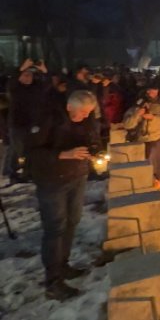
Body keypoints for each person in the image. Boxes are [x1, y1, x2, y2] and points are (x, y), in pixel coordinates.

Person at [31, 90, 99, 300]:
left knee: (72, 222)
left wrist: (94, 150)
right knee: (55, 228)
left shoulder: (86, 120)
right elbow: (31, 152)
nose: (86, 117)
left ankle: (63, 265)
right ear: (70, 107)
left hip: (77, 177)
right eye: (83, 112)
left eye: (89, 113)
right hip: (52, 181)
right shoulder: (48, 119)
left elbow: (91, 138)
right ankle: (53, 281)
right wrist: (63, 154)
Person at [4, 58, 48, 183]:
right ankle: (13, 172)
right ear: (20, 77)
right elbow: (11, 81)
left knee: (30, 149)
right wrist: (21, 68)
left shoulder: (36, 88)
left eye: (30, 75)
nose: (28, 77)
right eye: (25, 75)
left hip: (32, 125)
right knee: (16, 149)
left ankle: (28, 172)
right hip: (17, 124)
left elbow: (47, 85)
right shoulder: (15, 88)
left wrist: (43, 71)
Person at [122, 86, 160, 183]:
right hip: (141, 139)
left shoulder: (157, 107)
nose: (154, 96)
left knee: (157, 160)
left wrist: (153, 117)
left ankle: (158, 179)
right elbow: (127, 124)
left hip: (155, 137)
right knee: (144, 161)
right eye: (152, 93)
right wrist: (137, 115)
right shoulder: (135, 108)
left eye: (156, 93)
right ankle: (146, 180)